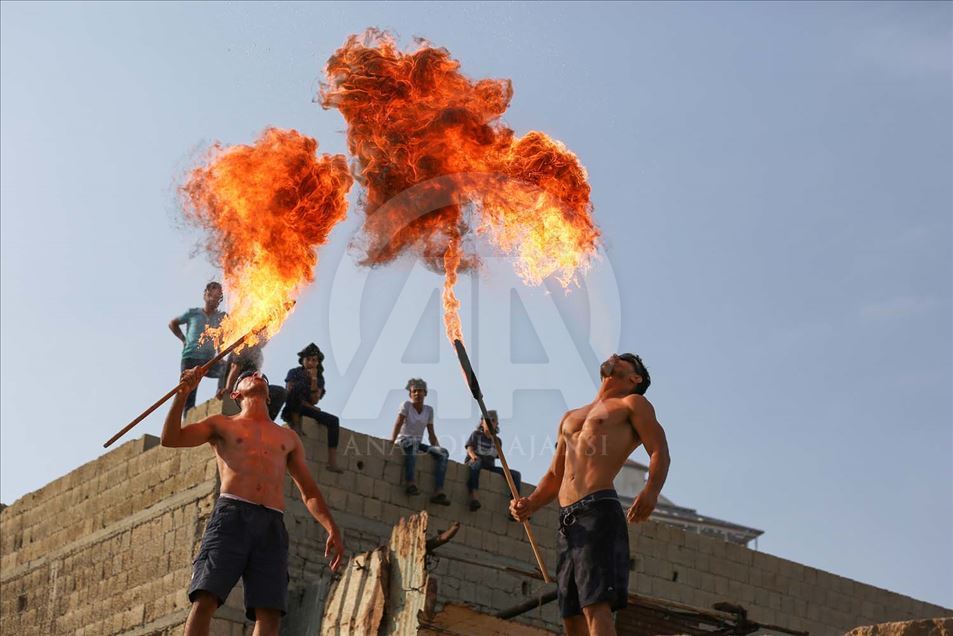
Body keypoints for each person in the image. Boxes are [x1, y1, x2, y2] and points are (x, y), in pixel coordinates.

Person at [161, 366, 344, 636]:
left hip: (271, 523)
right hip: (232, 515)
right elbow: (171, 438)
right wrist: (182, 394)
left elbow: (310, 492)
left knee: (269, 611)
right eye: (249, 375)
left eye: (263, 377)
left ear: (269, 397)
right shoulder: (222, 424)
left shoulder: (288, 437)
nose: (257, 375)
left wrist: (332, 527)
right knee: (206, 597)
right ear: (236, 392)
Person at [509, 353, 670, 636]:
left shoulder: (632, 403)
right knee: (570, 615)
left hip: (598, 510)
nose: (614, 357)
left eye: (624, 359)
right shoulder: (570, 417)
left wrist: (651, 491)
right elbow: (555, 475)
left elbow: (659, 451)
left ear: (636, 378)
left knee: (596, 605)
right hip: (567, 520)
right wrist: (530, 503)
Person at [168, 281, 227, 416]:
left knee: (225, 368)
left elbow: (220, 340)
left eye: (218, 296)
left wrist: (221, 356)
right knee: (188, 392)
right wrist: (183, 339)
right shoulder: (193, 313)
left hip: (208, 360)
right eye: (212, 293)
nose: (214, 298)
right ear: (205, 294)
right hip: (190, 358)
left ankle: (220, 399)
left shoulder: (220, 318)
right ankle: (186, 420)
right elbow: (173, 323)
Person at [281, 343, 343, 473]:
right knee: (297, 390)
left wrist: (314, 379)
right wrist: (309, 406)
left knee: (333, 421)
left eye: (314, 360)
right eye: (308, 359)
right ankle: (296, 426)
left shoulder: (319, 378)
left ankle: (332, 462)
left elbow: (315, 400)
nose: (310, 362)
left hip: (307, 409)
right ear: (302, 360)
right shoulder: (294, 372)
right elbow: (290, 392)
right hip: (292, 407)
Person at [390, 378, 450, 506]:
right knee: (412, 443)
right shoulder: (406, 405)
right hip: (403, 440)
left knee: (443, 453)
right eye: (414, 391)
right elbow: (398, 423)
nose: (417, 394)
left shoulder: (429, 410)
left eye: (420, 391)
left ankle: (438, 491)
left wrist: (436, 450)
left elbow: (431, 433)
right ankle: (410, 482)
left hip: (417, 442)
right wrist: (391, 441)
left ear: (425, 393)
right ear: (410, 394)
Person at [215, 339, 286, 422]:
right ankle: (262, 421)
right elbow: (235, 367)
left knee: (278, 392)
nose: (266, 340)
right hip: (239, 387)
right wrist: (228, 389)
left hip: (250, 388)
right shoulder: (246, 346)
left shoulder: (258, 353)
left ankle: (264, 421)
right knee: (279, 392)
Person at [464, 410, 521, 513]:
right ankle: (474, 497)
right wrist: (474, 457)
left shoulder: (497, 441)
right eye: (488, 420)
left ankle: (515, 504)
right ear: (482, 422)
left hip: (489, 466)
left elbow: (500, 457)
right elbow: (469, 448)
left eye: (493, 421)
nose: (491, 423)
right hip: (474, 462)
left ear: (496, 424)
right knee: (477, 463)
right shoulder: (476, 434)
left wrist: (506, 469)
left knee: (515, 475)